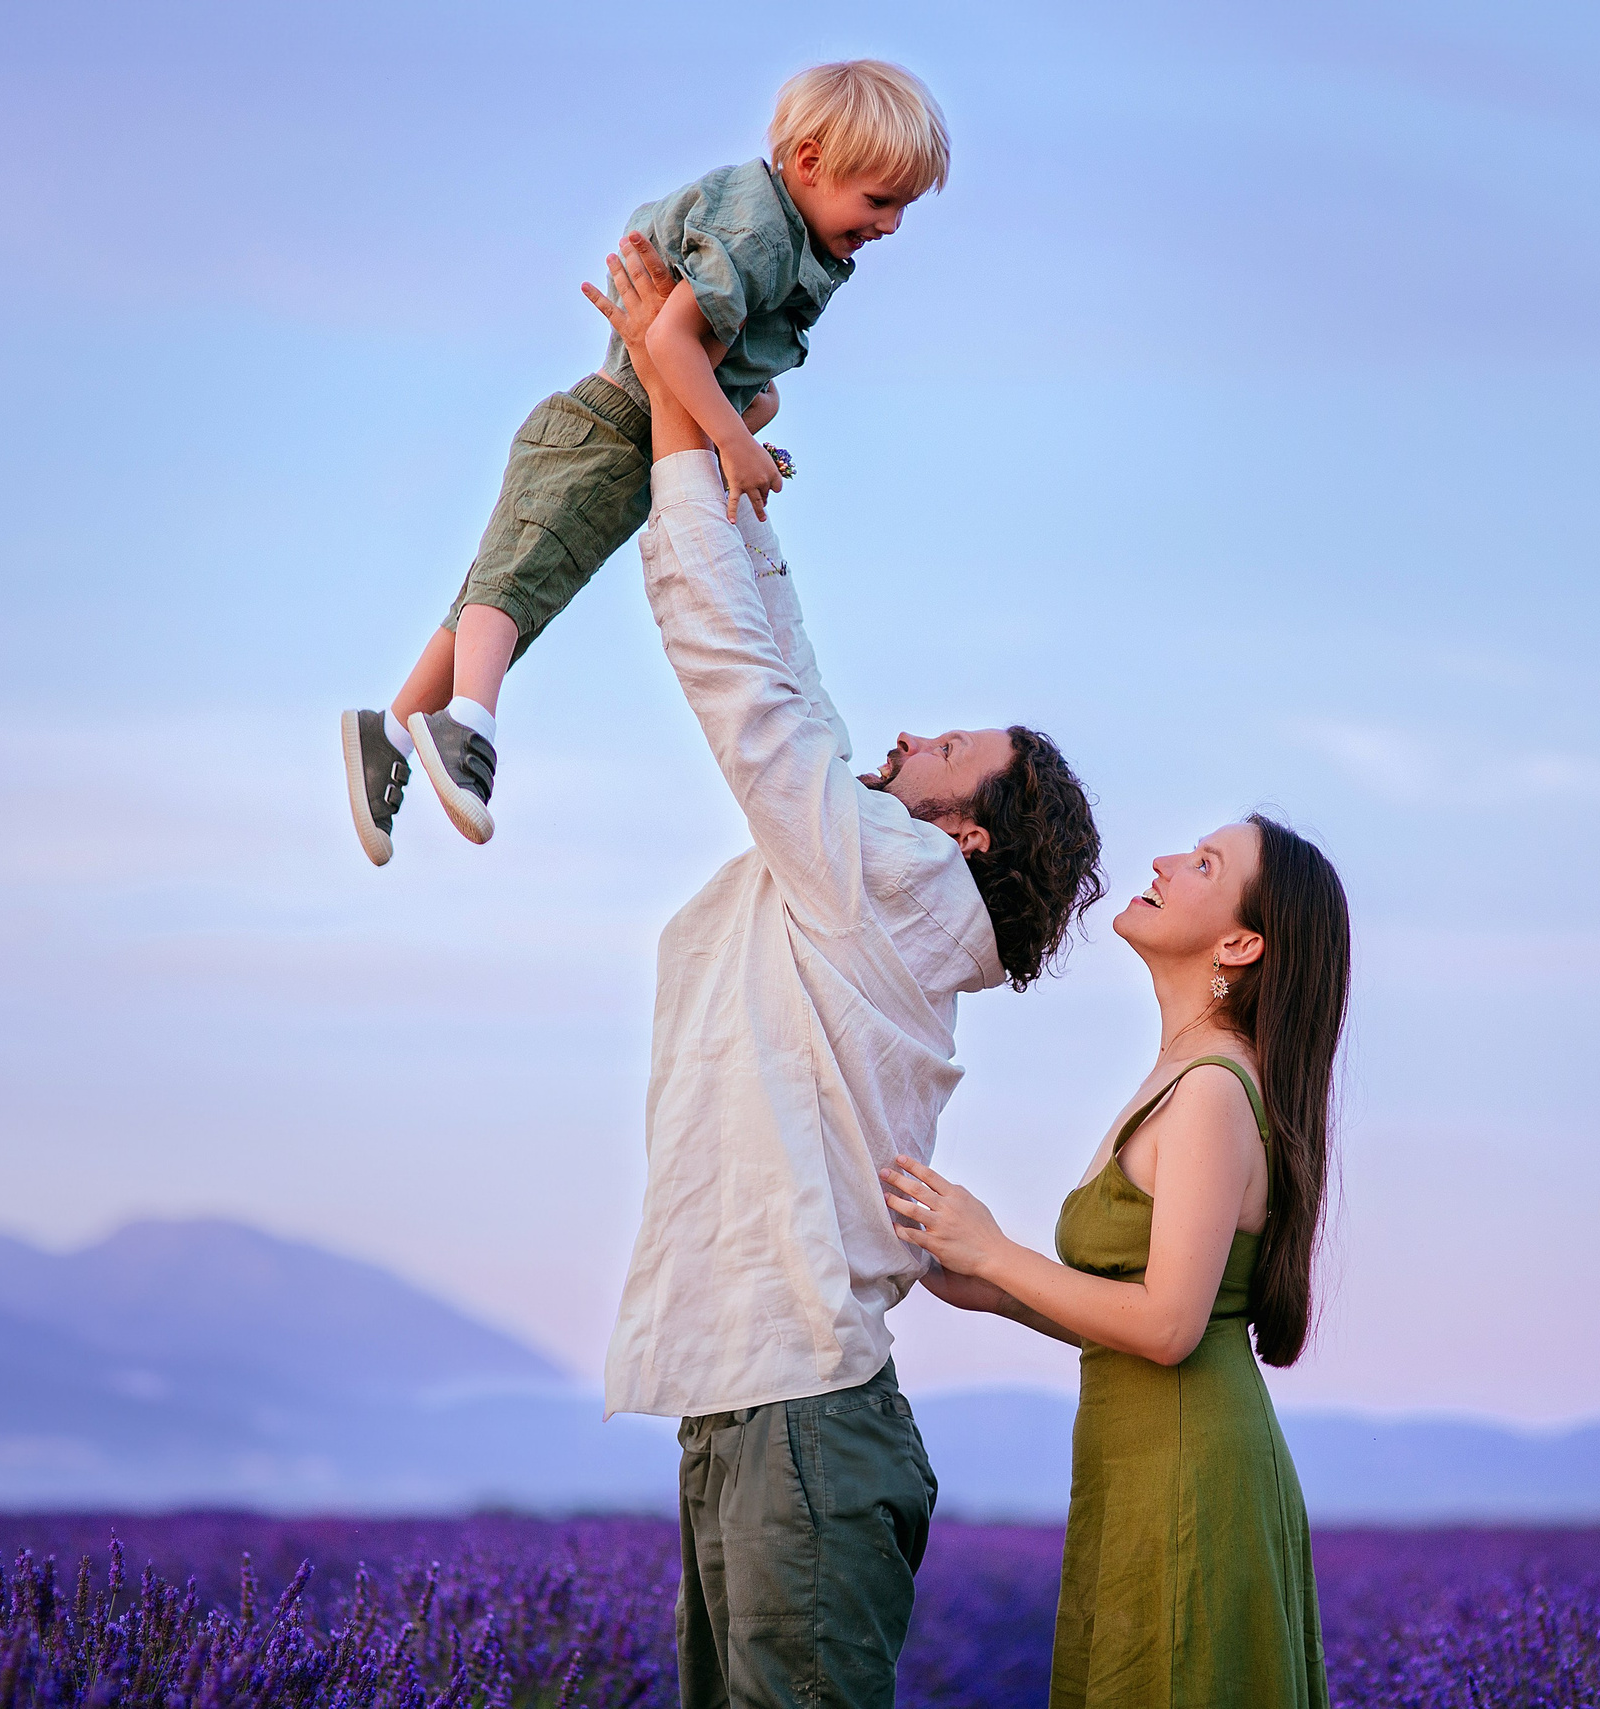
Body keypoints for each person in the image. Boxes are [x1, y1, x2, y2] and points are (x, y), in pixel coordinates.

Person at [588, 238, 1105, 1709]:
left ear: (966, 828)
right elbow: (795, 683)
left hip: (800, 1414)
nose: (911, 737)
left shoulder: (902, 883)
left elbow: (749, 698)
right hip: (765, 1407)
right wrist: (697, 409)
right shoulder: (888, 879)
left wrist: (678, 411)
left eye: (945, 752)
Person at [340, 60, 951, 864]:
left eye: (902, 205)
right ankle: (467, 723)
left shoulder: (799, 248)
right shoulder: (760, 233)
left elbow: (725, 371)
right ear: (809, 162)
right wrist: (731, 441)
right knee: (514, 584)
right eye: (880, 200)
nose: (892, 225)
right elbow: (666, 338)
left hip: (633, 448)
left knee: (511, 596)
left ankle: (385, 733)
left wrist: (743, 421)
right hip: (601, 430)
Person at [882, 817, 1351, 1709]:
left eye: (1204, 863)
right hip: (1142, 1464)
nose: (1166, 860)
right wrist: (986, 1284)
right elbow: (1130, 1308)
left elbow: (1171, 1326)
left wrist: (1002, 1252)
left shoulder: (1212, 1088)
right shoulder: (1182, 1073)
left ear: (1241, 942)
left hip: (1190, 1472)